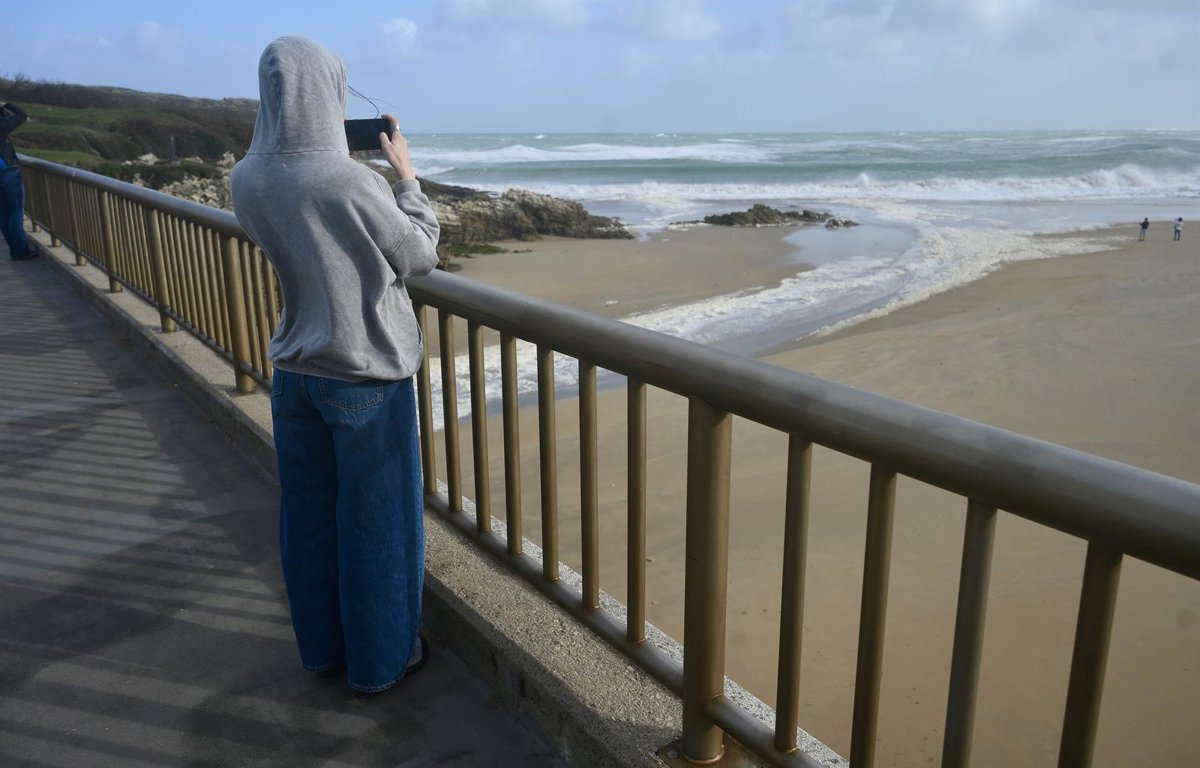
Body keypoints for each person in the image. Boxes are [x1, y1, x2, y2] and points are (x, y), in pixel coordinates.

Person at [230, 36, 440, 694]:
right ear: (330, 93)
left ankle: (323, 650)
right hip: (365, 375)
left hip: (296, 369)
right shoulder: (353, 180)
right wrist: (405, 175)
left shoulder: (247, 177)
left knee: (310, 518)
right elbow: (419, 257)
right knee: (378, 525)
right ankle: (381, 664)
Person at [0, 100, 35, 261]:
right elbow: (22, 115)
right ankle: (19, 250)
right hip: (8, 172)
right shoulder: (2, 126)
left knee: (3, 214)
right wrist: (6, 104)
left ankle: (15, 249)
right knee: (15, 212)